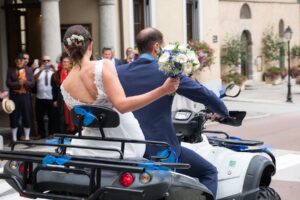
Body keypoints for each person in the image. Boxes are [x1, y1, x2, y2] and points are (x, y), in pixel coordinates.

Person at [117, 27, 230, 198]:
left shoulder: (120, 72)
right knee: (209, 172)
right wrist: (222, 110)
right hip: (160, 149)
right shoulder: (167, 72)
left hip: (127, 149)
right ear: (156, 47)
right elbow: (200, 93)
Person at [60, 25, 179, 159]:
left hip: (88, 147)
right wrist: (163, 90)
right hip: (125, 145)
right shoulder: (103, 65)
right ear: (90, 45)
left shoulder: (64, 86)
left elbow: (84, 121)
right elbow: (122, 105)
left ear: (65, 48)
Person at [6, 53, 35, 142]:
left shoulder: (29, 70)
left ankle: (27, 137)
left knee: (26, 115)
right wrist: (19, 83)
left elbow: (32, 84)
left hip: (25, 96)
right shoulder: (10, 70)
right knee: (14, 115)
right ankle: (14, 138)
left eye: (21, 60)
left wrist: (25, 82)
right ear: (15, 61)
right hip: (14, 96)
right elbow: (8, 83)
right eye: (17, 60)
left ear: (24, 61)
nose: (19, 62)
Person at [51, 54, 75, 134]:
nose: (65, 64)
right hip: (61, 97)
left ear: (70, 63)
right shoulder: (56, 74)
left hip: (72, 96)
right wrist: (54, 100)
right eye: (64, 62)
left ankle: (73, 133)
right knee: (62, 115)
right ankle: (63, 134)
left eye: (67, 62)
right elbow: (54, 88)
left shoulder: (74, 72)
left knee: (72, 114)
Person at [34, 55, 55, 139]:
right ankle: (41, 134)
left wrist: (54, 69)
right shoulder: (37, 70)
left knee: (52, 117)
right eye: (44, 60)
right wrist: (40, 71)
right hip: (40, 97)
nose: (46, 62)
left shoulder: (53, 71)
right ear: (41, 62)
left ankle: (51, 133)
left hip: (50, 98)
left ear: (50, 62)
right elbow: (34, 79)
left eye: (48, 60)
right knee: (39, 117)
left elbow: (58, 80)